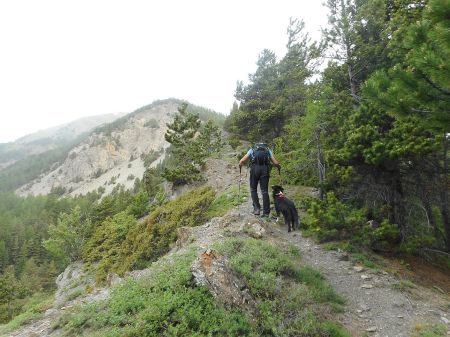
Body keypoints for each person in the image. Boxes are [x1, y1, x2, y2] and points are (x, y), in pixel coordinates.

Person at [239, 142, 280, 217]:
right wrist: (277, 166)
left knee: (253, 189)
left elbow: (242, 161)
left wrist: (240, 165)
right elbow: (275, 162)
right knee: (264, 191)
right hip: (265, 170)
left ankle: (257, 209)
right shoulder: (267, 150)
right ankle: (266, 212)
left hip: (254, 169)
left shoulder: (252, 149)